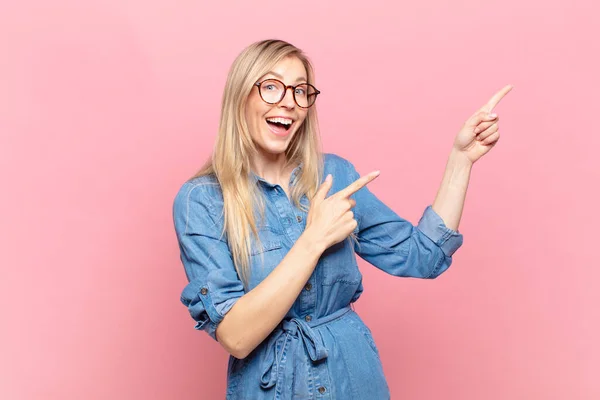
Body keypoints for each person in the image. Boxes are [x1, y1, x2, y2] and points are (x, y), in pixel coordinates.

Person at [172, 39, 512, 399]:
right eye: (271, 86)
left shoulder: (334, 175)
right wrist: (314, 239)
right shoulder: (202, 201)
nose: (289, 100)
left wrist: (461, 160)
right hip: (271, 387)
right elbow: (237, 337)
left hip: (354, 376)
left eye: (301, 90)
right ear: (240, 96)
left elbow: (423, 256)